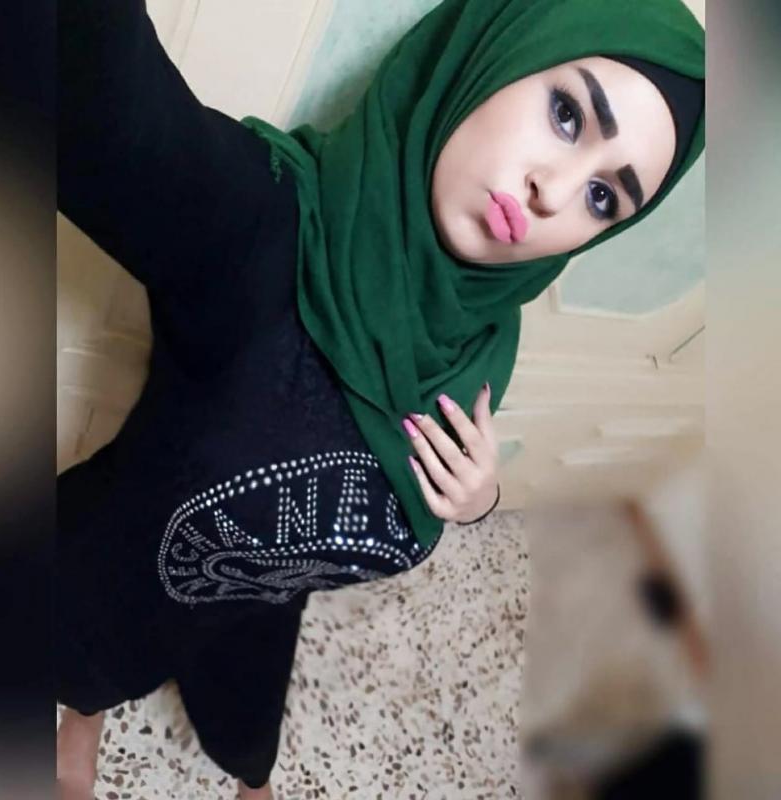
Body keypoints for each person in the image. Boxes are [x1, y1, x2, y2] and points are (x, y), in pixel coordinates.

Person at [55, 0, 705, 798]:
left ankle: (247, 774)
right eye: (567, 114)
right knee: (97, 649)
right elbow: (103, 102)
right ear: (488, 55)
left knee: (249, 725)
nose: (555, 191)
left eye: (604, 198)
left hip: (265, 600)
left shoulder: (480, 331)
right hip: (129, 566)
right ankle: (81, 721)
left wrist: (479, 498)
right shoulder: (261, 231)